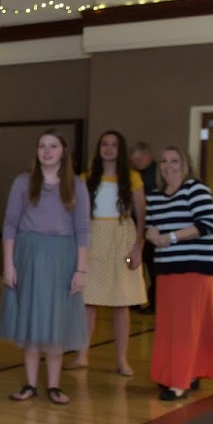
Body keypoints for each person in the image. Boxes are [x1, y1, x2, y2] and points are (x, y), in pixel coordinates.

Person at [0, 130, 91, 406]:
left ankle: (54, 385)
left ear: (63, 151)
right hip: (29, 256)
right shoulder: (23, 182)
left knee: (55, 321)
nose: (47, 151)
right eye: (42, 146)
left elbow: (83, 229)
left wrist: (81, 270)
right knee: (30, 320)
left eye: (53, 146)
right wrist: (8, 265)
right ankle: (29, 384)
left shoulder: (76, 185)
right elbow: (10, 224)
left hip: (62, 257)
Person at [145, 147, 213, 400]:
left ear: (185, 164)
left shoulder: (195, 189)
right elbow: (150, 226)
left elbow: (207, 223)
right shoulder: (156, 195)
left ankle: (180, 381)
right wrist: (151, 235)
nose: (168, 166)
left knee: (186, 326)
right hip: (166, 268)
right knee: (169, 325)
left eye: (174, 161)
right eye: (164, 161)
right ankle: (186, 372)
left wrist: (172, 237)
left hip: (193, 267)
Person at [73, 130, 146, 377]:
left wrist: (138, 247)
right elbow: (78, 213)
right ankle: (82, 354)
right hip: (94, 239)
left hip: (122, 239)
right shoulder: (86, 177)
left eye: (114, 145)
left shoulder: (132, 178)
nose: (108, 149)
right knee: (88, 300)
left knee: (121, 302)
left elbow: (141, 214)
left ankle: (121, 359)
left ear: (120, 149)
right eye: (104, 144)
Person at [129, 141, 160, 310]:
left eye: (139, 160)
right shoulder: (132, 174)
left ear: (148, 156)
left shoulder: (158, 173)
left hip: (154, 227)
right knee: (132, 262)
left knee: (153, 265)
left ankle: (154, 301)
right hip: (134, 227)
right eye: (133, 161)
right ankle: (134, 299)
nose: (136, 163)